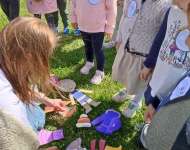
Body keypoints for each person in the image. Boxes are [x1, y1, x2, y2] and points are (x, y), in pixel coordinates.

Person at [0, 16, 65, 150]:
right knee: (35, 117)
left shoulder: (7, 61)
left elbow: (23, 87)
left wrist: (48, 101)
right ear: (29, 56)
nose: (46, 63)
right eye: (46, 57)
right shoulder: (10, 110)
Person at [111, 0, 171, 118]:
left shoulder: (165, 4)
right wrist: (119, 38)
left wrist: (153, 60)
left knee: (141, 80)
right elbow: (124, 16)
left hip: (144, 54)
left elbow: (163, 33)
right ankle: (129, 91)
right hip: (127, 45)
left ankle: (136, 101)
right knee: (128, 73)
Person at [140, 0, 190, 123]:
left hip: (179, 87)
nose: (174, 4)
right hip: (161, 75)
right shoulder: (172, 11)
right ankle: (149, 127)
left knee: (167, 117)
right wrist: (148, 64)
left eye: (178, 2)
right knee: (152, 103)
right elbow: (160, 39)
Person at [70, 0, 117, 84]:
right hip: (83, 25)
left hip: (98, 27)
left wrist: (110, 28)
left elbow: (112, 10)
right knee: (87, 46)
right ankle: (89, 62)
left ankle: (100, 72)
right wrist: (73, 18)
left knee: (98, 50)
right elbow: (73, 3)